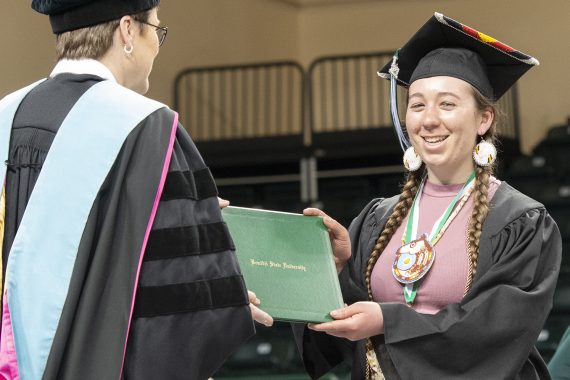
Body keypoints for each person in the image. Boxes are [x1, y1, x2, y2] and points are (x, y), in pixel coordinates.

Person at [0, 1, 271, 379]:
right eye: (156, 30)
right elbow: (175, 309)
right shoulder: (148, 130)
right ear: (127, 29)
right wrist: (223, 301)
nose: (157, 45)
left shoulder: (5, 118)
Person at [294, 12, 562, 380]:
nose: (428, 119)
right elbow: (344, 332)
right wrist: (334, 270)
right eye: (417, 105)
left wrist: (389, 320)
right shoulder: (377, 219)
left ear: (484, 119)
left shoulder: (520, 221)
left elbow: (494, 332)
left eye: (447, 104)